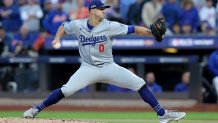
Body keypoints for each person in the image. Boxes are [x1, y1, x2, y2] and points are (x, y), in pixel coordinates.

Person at [23, 0, 186, 122]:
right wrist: (57, 39)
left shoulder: (109, 25)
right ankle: (36, 109)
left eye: (104, 9)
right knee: (66, 90)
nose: (104, 11)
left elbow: (134, 29)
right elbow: (63, 28)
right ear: (92, 10)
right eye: (101, 9)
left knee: (140, 83)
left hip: (108, 66)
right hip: (87, 68)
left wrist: (151, 32)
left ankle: (162, 114)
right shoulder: (78, 25)